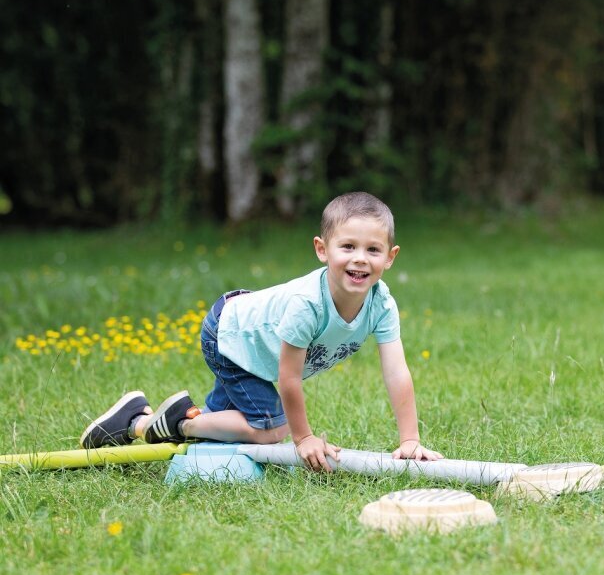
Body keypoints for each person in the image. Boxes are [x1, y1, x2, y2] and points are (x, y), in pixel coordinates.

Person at [80, 192, 442, 472]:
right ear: (322, 249)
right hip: (231, 335)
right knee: (270, 428)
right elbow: (289, 378)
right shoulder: (308, 304)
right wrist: (303, 439)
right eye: (347, 246)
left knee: (228, 425)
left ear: (390, 257)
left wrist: (410, 440)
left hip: (253, 342)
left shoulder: (382, 304)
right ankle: (173, 422)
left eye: (373, 250)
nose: (360, 258)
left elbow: (396, 371)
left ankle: (133, 422)